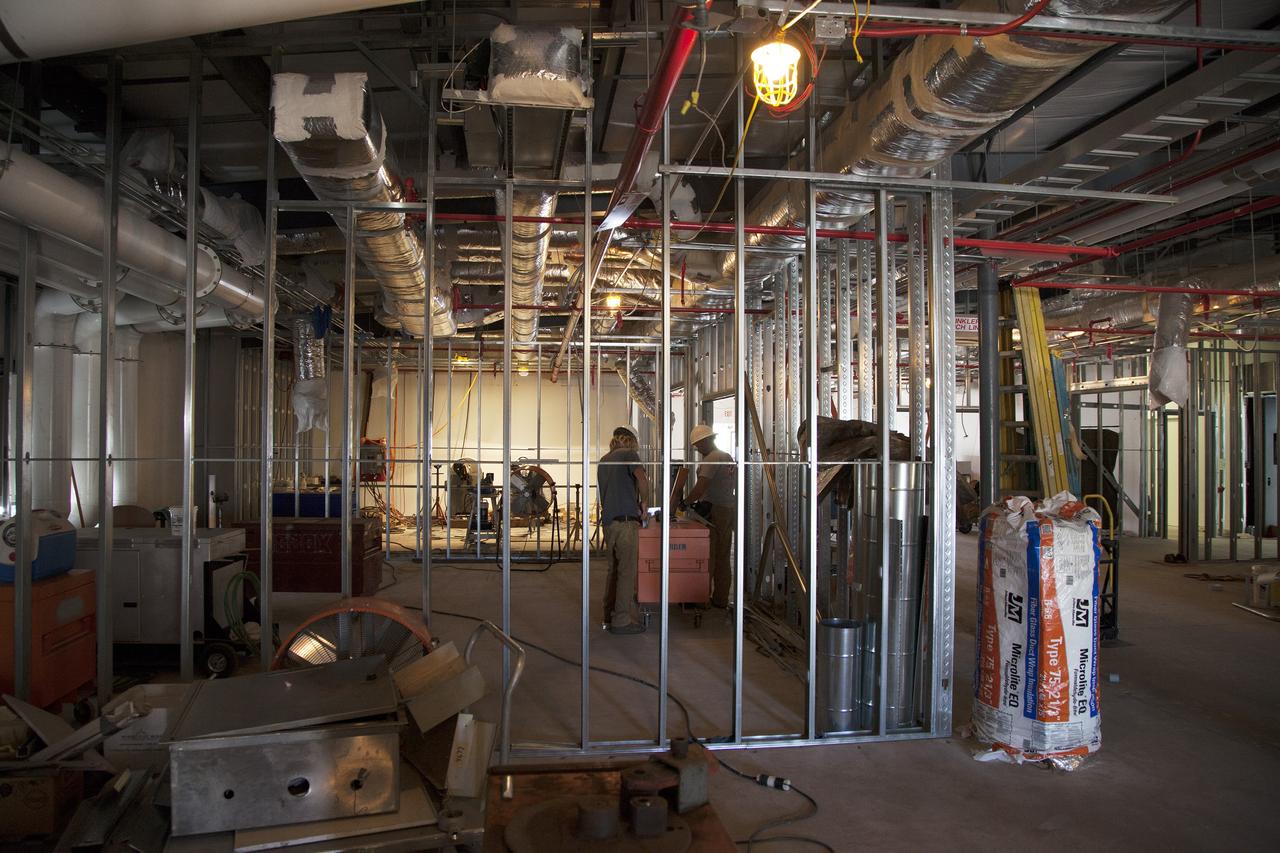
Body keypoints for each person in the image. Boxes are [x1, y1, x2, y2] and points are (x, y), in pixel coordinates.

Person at [597, 425, 649, 635]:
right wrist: (645, 504)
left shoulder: (604, 459)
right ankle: (621, 621)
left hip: (609, 523)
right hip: (627, 522)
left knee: (614, 570)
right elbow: (643, 481)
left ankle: (608, 614)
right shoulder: (630, 454)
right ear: (631, 440)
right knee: (627, 572)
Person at [685, 423, 735, 609]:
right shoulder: (726, 456)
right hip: (728, 508)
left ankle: (702, 599)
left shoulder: (712, 458)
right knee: (723, 556)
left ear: (707, 440)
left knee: (708, 556)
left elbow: (701, 487)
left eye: (698, 445)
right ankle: (720, 599)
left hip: (714, 512)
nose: (697, 449)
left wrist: (685, 502)